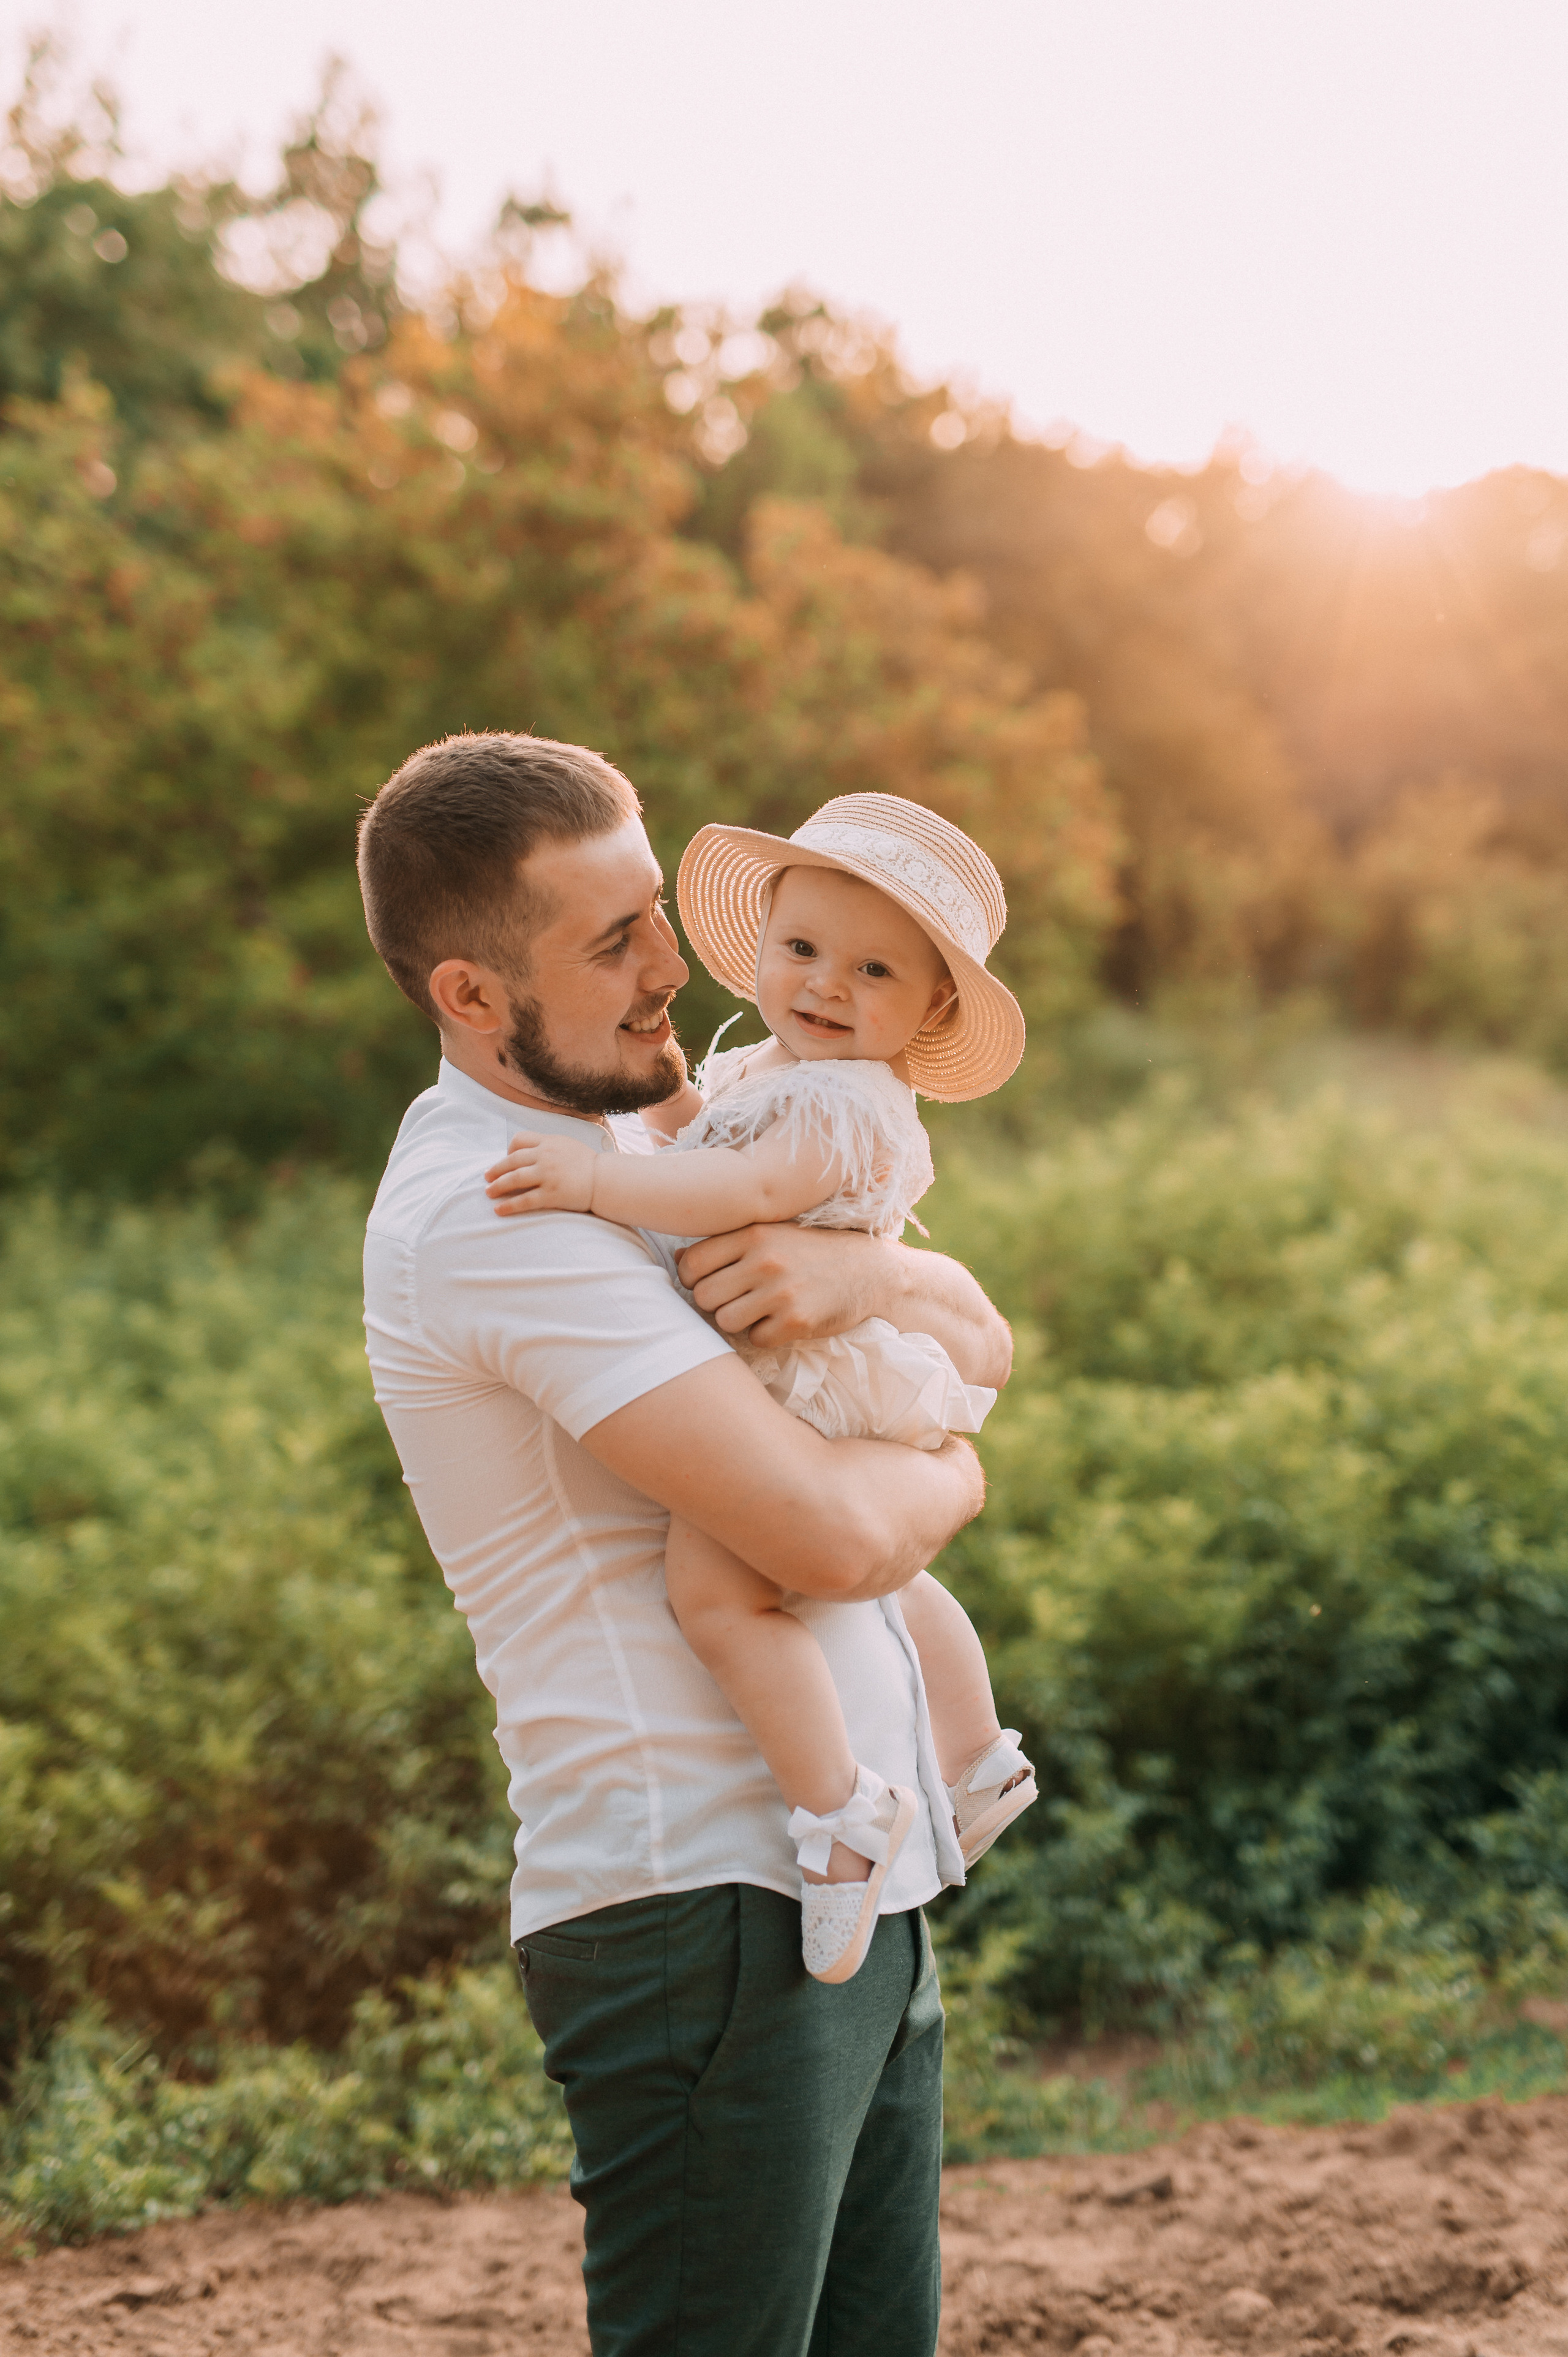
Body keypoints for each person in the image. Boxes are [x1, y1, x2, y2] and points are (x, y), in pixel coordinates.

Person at [357, 731, 1010, 2357]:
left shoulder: (652, 1146)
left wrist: (870, 1281)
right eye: (612, 941)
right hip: (701, 1899)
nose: (670, 966)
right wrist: (959, 1477)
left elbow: (981, 1332)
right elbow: (828, 1535)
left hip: (844, 1881)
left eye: (657, 912)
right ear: (472, 993)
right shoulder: (500, 1212)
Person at [483, 793, 1036, 1987]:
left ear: (931, 1010)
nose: (827, 985)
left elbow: (742, 1189)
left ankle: (838, 1813)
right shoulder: (783, 1069)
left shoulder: (841, 1101)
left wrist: (592, 1179)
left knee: (719, 1592)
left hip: (806, 1370)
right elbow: (715, 1142)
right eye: (802, 949)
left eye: (873, 970)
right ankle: (979, 1752)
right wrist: (667, 1094)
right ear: (764, 945)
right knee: (895, 1574)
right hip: (824, 1363)